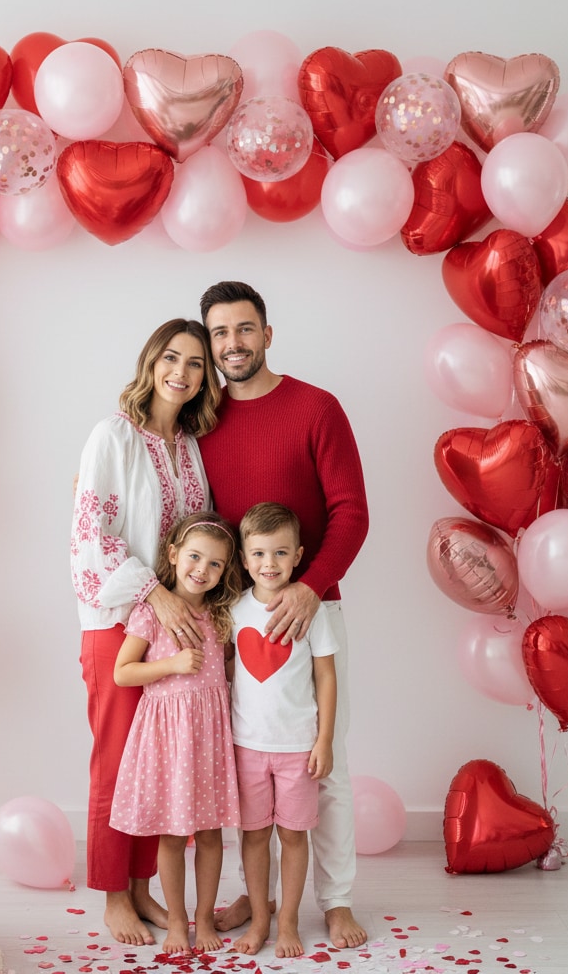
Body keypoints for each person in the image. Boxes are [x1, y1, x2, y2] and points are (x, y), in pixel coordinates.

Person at [196, 280, 369, 950]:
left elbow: (352, 513)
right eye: (219, 333)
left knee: (325, 764)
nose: (231, 344)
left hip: (311, 610)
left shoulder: (317, 408)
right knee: (249, 765)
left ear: (267, 335)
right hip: (235, 620)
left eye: (244, 329)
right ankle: (261, 901)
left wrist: (312, 586)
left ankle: (339, 899)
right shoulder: (203, 420)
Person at [70, 318, 223, 946]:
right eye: (172, 358)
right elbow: (91, 533)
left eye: (194, 364)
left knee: (153, 766)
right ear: (151, 360)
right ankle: (113, 895)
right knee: (115, 759)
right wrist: (153, 593)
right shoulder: (112, 436)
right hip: (118, 621)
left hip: (174, 625)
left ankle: (141, 889)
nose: (181, 372)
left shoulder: (189, 447)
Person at [110, 511, 244, 954]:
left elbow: (229, 669)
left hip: (207, 738)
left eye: (215, 564)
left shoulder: (222, 614)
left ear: (226, 571)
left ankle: (204, 920)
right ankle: (176, 925)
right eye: (194, 557)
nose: (201, 570)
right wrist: (171, 665)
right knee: (171, 835)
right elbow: (123, 672)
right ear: (173, 554)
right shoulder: (152, 610)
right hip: (168, 738)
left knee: (209, 835)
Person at [228, 503, 338, 958]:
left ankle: (289, 923)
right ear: (244, 557)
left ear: (298, 556)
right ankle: (260, 919)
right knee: (254, 837)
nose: (268, 564)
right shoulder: (234, 609)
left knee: (294, 836)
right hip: (246, 747)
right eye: (258, 554)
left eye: (279, 553)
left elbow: (326, 677)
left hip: (297, 748)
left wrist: (324, 740)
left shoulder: (311, 609)